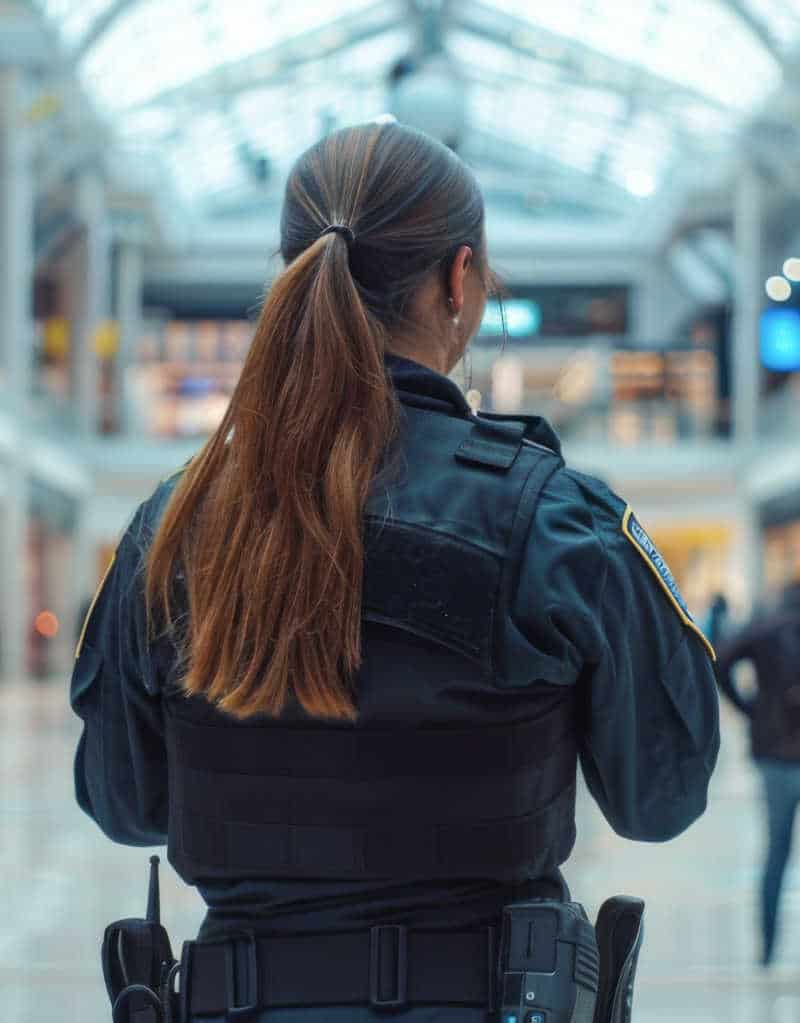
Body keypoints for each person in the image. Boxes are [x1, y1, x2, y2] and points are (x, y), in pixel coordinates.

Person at [71, 122, 720, 1022]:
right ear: (460, 281)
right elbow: (661, 798)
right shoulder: (556, 523)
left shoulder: (177, 528)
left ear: (288, 274)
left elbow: (124, 802)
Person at [716, 580, 800, 967]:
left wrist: (749, 708)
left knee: (776, 852)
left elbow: (721, 661)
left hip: (774, 754)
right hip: (780, 753)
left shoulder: (765, 629)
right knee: (777, 851)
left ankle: (766, 952)